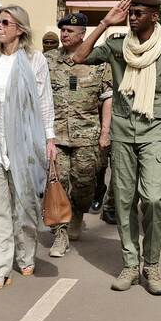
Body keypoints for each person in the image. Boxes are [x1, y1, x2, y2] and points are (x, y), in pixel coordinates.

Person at [72, 0, 161, 296]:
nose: (132, 17)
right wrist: (105, 23)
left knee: (152, 197)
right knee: (123, 201)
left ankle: (152, 265)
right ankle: (131, 265)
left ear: (154, 16)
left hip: (155, 130)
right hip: (123, 130)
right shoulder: (117, 44)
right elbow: (79, 56)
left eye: (138, 13)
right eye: (130, 13)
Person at [0, 5, 55, 290]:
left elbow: (45, 104)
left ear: (20, 28)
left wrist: (49, 138)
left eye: (5, 22)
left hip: (25, 143)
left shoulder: (34, 61)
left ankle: (26, 254)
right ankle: (0, 267)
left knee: (25, 205)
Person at [46, 13, 112, 258]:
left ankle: (78, 212)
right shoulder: (48, 60)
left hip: (87, 134)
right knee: (57, 183)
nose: (64, 34)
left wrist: (105, 132)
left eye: (70, 30)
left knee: (84, 184)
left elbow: (108, 98)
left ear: (83, 33)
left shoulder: (98, 60)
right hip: (56, 135)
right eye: (62, 30)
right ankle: (60, 233)